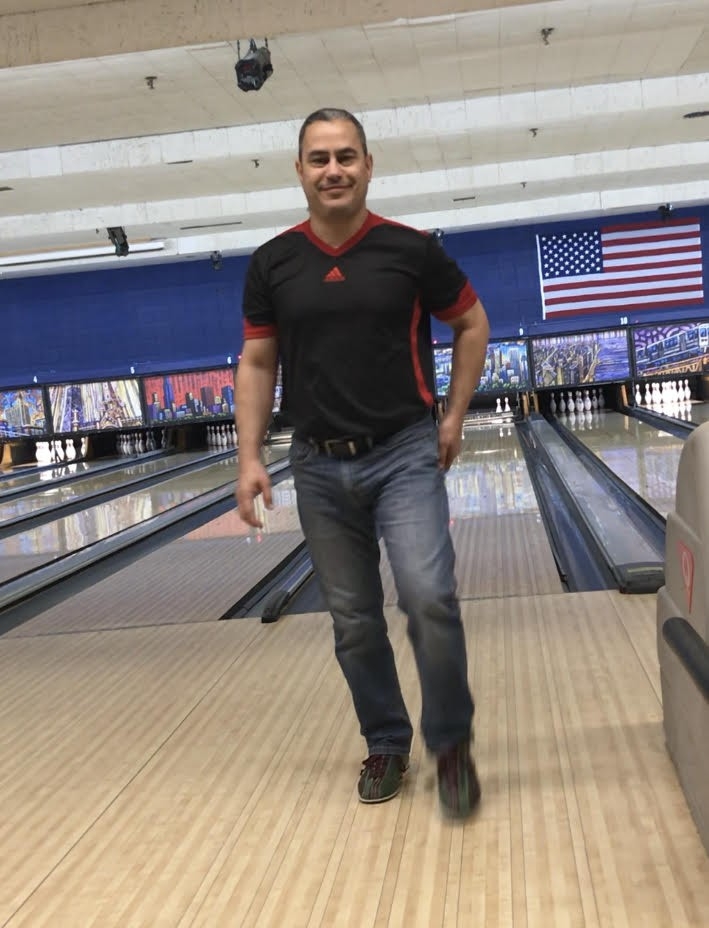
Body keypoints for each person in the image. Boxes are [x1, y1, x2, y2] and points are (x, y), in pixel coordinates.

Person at [235, 107, 490, 818]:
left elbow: (472, 323)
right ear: (300, 170)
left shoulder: (411, 250)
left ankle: (450, 745)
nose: (333, 170)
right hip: (318, 465)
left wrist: (453, 415)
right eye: (319, 158)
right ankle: (385, 743)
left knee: (427, 596)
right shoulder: (272, 263)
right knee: (352, 620)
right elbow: (257, 360)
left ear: (368, 165)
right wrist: (248, 456)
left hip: (404, 452)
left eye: (345, 156)